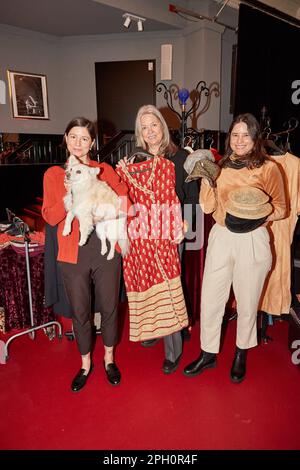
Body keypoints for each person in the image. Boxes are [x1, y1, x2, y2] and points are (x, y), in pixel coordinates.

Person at [183, 113, 286, 383]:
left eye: (246, 135)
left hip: (253, 239)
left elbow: (283, 208)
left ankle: (241, 353)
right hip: (221, 236)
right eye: (235, 135)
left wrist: (254, 215)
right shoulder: (220, 166)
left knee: (248, 300)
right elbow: (207, 207)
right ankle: (208, 353)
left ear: (255, 138)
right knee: (211, 299)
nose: (240, 141)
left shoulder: (269, 168)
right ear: (230, 138)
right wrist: (206, 179)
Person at [42, 117, 131, 391]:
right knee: (80, 311)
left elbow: (124, 197)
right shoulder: (55, 175)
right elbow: (50, 216)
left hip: (105, 250)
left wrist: (113, 209)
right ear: (65, 139)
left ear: (92, 143)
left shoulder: (102, 170)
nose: (78, 144)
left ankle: (108, 359)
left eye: (84, 139)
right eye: (73, 137)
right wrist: (67, 195)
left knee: (109, 306)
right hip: (73, 253)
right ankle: (84, 363)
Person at [116, 104, 198, 374]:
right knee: (146, 279)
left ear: (163, 126)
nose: (150, 131)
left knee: (168, 284)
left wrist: (184, 228)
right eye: (144, 127)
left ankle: (173, 348)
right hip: (141, 233)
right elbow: (123, 196)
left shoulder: (180, 157)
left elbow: (192, 197)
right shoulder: (134, 160)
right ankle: (152, 328)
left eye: (154, 125)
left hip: (172, 231)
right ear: (139, 131)